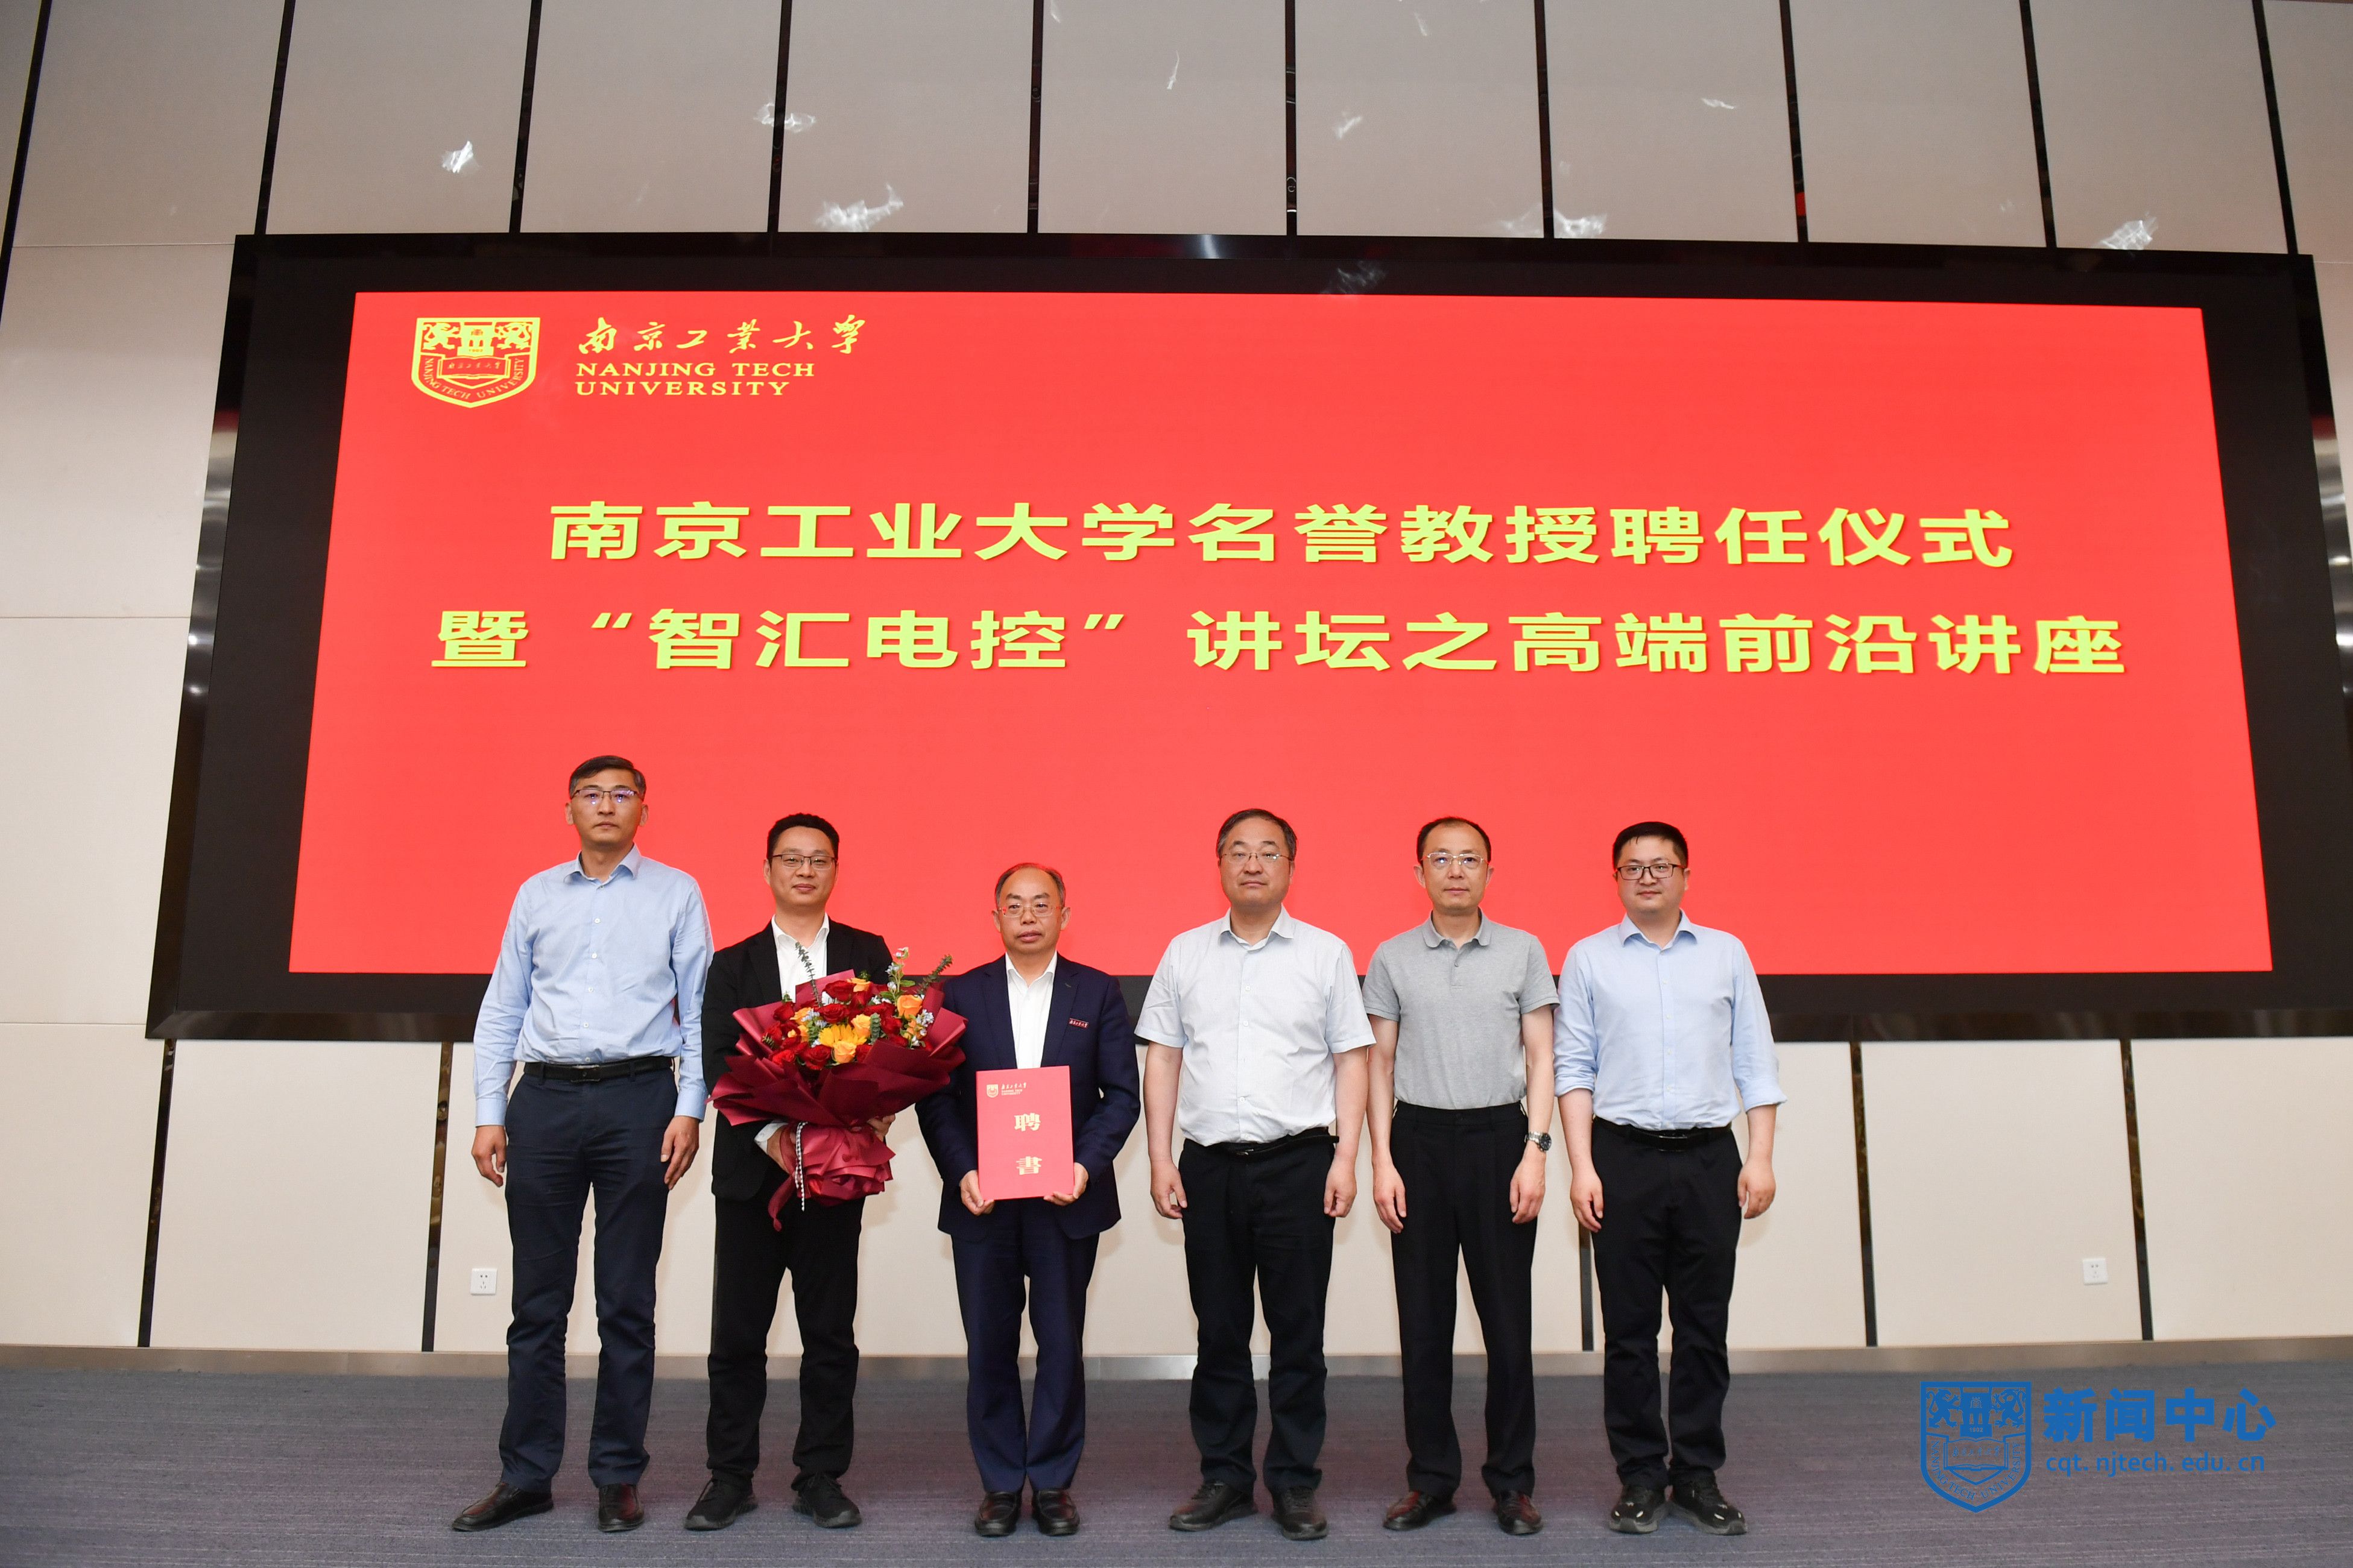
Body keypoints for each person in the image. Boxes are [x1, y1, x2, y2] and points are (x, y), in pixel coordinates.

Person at [453, 756, 711, 1536]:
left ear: (643, 810)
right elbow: (503, 1007)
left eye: (622, 794)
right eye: (591, 795)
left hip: (641, 1100)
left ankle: (617, 1475)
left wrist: (690, 1108)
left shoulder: (676, 892)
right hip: (545, 1102)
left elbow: (698, 1009)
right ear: (568, 808)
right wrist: (490, 1112)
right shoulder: (536, 894)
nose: (606, 806)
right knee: (537, 1305)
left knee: (626, 1303)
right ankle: (526, 1475)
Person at [1138, 808, 1374, 1543]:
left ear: (1289, 868)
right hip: (1208, 1167)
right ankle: (1225, 1478)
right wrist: (1158, 1156)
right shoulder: (1184, 953)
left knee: (1298, 1332)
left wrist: (1345, 1158)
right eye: (1238, 851)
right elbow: (1163, 1057)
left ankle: (1295, 1481)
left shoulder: (1325, 954)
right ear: (1218, 864)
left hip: (1299, 1165)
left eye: (1268, 852)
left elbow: (1351, 1060)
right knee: (1219, 1331)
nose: (1252, 864)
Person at [1555, 821, 1783, 1538]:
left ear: (1685, 874)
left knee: (1702, 1329)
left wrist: (1759, 1157)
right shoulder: (1588, 959)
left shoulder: (1725, 954)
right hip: (1620, 1159)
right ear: (1615, 878)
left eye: (1661, 866)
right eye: (1633, 867)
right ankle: (1639, 1477)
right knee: (1627, 1332)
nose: (1647, 877)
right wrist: (1582, 1167)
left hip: (1709, 1160)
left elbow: (1755, 1064)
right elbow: (1573, 1070)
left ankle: (1696, 1474)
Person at [916, 864, 1142, 1537]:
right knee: (988, 1345)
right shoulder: (959, 994)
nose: (1028, 916)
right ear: (995, 918)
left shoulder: (1097, 990)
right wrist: (962, 1170)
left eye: (1042, 904)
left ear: (1064, 915)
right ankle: (997, 1484)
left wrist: (1083, 1165)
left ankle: (1051, 1482)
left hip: (1064, 1199)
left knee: (1061, 1343)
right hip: (983, 1200)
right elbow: (936, 1097)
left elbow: (1120, 1096)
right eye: (1013, 905)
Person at [683, 813, 892, 1534]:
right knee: (737, 1335)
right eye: (791, 859)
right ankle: (729, 1476)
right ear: (768, 869)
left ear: (835, 869)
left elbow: (891, 1047)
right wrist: (773, 1136)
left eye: (818, 859)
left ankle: (821, 1476)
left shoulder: (866, 953)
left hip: (835, 1174)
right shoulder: (733, 964)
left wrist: (876, 1110)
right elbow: (717, 1060)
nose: (805, 871)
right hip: (753, 1173)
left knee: (829, 1334)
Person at [1363, 817, 1556, 1537]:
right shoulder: (1391, 957)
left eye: (1468, 859)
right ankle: (1431, 1481)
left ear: (1488, 873)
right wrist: (1381, 1160)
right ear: (1418, 873)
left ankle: (1511, 1483)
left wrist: (1535, 1150)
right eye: (1440, 859)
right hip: (1416, 1142)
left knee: (1507, 1326)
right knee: (1423, 1325)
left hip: (1499, 1141)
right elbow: (1379, 1064)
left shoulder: (1522, 951)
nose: (1454, 871)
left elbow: (1541, 1056)